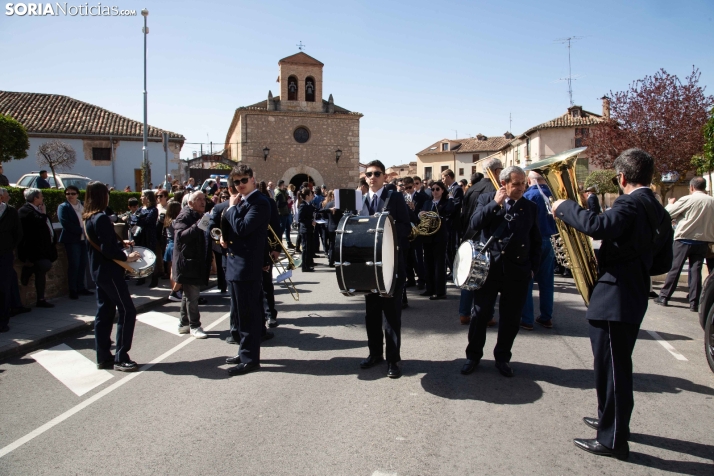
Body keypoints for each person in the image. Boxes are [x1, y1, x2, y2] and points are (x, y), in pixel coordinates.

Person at [551, 149, 672, 460]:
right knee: (610, 367)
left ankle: (612, 439)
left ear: (621, 178)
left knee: (614, 371)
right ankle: (610, 421)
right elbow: (662, 262)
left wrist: (564, 207)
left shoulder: (630, 202)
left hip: (615, 295)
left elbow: (600, 227)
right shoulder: (657, 208)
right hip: (630, 292)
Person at [461, 166, 541, 378]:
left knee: (511, 318)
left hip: (517, 271)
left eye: (523, 183)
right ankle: (473, 356)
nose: (520, 188)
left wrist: (533, 268)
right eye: (515, 184)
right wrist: (495, 203)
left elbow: (536, 241)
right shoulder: (487, 199)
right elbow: (475, 222)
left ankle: (503, 357)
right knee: (480, 314)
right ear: (504, 183)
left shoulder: (530, 207)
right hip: (489, 269)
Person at [359, 160, 411, 379]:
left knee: (391, 316)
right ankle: (375, 354)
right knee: (371, 315)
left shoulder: (395, 197)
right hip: (369, 267)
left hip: (390, 265)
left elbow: (406, 227)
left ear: (384, 177)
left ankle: (393, 360)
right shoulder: (361, 200)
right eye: (368, 174)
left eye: (377, 174)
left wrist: (383, 227)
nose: (372, 177)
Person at [83, 181, 142, 372]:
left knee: (104, 313)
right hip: (110, 272)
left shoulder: (88, 217)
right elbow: (108, 250)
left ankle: (103, 357)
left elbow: (103, 244)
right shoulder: (100, 218)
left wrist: (120, 243)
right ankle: (121, 357)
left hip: (99, 272)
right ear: (102, 196)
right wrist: (127, 256)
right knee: (127, 311)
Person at [222, 164, 271, 375]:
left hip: (247, 266)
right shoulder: (241, 202)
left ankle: (250, 359)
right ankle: (244, 351)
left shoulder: (260, 202)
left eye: (244, 180)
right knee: (239, 315)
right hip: (234, 264)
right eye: (237, 182)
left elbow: (242, 228)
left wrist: (232, 208)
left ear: (253, 179)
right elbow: (230, 228)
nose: (240, 185)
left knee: (248, 315)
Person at [654, 176, 714, 312]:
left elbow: (667, 213)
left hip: (684, 238)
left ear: (692, 187)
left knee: (675, 268)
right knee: (696, 271)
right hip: (703, 240)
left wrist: (670, 203)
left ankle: (664, 296)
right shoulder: (712, 201)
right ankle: (694, 301)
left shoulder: (688, 199)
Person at [459, 161, 503, 326]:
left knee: (469, 274)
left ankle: (464, 313)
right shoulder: (495, 190)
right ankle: (488, 315)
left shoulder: (471, 188)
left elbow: (463, 215)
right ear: (497, 171)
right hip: (485, 237)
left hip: (469, 235)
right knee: (486, 277)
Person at [172, 191, 211, 339]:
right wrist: (198, 225)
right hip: (188, 263)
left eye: (204, 199)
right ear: (190, 203)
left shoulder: (200, 215)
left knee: (188, 295)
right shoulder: (184, 216)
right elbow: (181, 237)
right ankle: (195, 325)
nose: (203, 202)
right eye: (199, 199)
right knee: (192, 296)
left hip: (195, 262)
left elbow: (204, 233)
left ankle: (184, 324)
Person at [520, 171, 557, 330]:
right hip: (550, 239)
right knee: (547, 281)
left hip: (532, 241)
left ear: (528, 180)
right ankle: (546, 317)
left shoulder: (529, 196)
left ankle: (527, 319)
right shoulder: (554, 194)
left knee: (527, 280)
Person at [18, 188, 57, 308]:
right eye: (41, 196)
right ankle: (28, 270)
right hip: (33, 250)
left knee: (41, 273)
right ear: (35, 198)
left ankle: (41, 299)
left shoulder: (37, 209)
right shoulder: (25, 211)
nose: (43, 198)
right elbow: (37, 225)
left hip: (44, 249)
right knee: (45, 265)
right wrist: (43, 214)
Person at [420, 180, 454, 300]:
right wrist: (421, 214)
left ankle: (440, 292)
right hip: (428, 235)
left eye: (437, 189)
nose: (434, 191)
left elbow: (450, 211)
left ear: (442, 190)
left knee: (439, 264)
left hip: (440, 236)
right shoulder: (428, 202)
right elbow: (421, 215)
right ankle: (430, 289)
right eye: (433, 189)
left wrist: (450, 198)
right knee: (428, 262)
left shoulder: (445, 202)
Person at [57, 185, 93, 299]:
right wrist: (81, 230)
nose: (70, 196)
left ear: (77, 194)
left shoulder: (83, 204)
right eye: (68, 194)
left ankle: (81, 287)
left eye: (73, 193)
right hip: (72, 239)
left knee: (82, 263)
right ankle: (73, 289)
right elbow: (65, 223)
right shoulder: (63, 207)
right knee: (74, 264)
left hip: (84, 239)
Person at [0, 189, 22, 332]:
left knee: (3, 288)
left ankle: (2, 321)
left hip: (5, 254)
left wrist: (9, 247)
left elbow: (18, 232)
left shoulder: (10, 211)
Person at [134, 190, 159, 287]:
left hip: (150, 236)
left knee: (151, 257)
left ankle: (154, 279)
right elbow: (133, 219)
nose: (141, 198)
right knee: (140, 256)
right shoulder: (140, 209)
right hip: (140, 236)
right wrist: (139, 219)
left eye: (142, 196)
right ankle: (141, 278)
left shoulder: (154, 209)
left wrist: (139, 219)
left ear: (147, 197)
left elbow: (147, 221)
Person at [163, 201, 182, 302]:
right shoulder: (175, 222)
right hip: (175, 245)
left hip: (169, 245)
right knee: (178, 270)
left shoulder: (168, 220)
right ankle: (175, 291)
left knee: (172, 270)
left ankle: (175, 290)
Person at [297, 188, 316, 272]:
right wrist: (310, 222)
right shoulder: (303, 205)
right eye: (311, 194)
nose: (312, 196)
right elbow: (300, 219)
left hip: (309, 229)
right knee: (305, 248)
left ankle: (308, 264)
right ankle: (304, 266)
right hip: (305, 230)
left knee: (309, 247)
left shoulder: (309, 204)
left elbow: (316, 210)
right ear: (307, 196)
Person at [274, 180, 291, 247]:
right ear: (281, 185)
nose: (284, 186)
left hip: (285, 212)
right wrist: (287, 202)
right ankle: (278, 243)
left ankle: (288, 242)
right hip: (282, 213)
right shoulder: (279, 194)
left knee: (287, 228)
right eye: (283, 185)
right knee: (282, 229)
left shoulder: (281, 192)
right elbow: (279, 205)